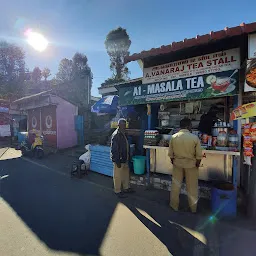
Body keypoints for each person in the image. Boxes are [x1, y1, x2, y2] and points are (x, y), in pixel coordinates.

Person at [168, 118, 202, 213]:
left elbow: (171, 154)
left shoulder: (174, 137)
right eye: (191, 125)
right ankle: (193, 208)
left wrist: (175, 162)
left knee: (175, 186)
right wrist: (197, 165)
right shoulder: (194, 138)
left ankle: (174, 205)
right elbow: (199, 155)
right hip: (191, 165)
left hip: (177, 164)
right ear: (188, 126)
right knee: (192, 188)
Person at [110, 118, 134, 198]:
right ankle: (117, 191)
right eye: (122, 125)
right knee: (118, 175)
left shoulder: (124, 133)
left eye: (125, 125)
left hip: (125, 158)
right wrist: (117, 161)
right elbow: (114, 150)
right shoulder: (116, 134)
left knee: (125, 174)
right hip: (119, 159)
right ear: (118, 125)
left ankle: (126, 188)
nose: (124, 126)